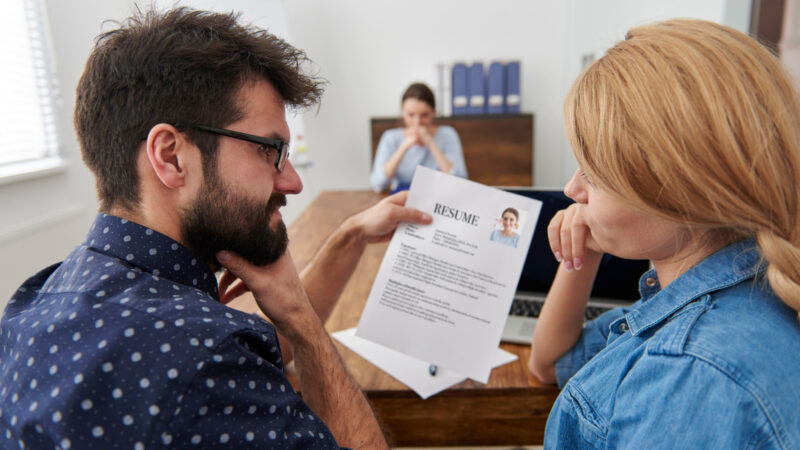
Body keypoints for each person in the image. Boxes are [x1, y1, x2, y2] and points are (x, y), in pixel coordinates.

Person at [0, 8, 433, 449]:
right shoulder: (206, 358)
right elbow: (218, 361)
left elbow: (256, 353)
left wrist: (349, 238)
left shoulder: (38, 297)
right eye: (269, 150)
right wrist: (304, 321)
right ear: (170, 156)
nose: (292, 181)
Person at [528, 19, 800, 448]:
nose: (571, 190)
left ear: (682, 189)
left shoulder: (692, 371)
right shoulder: (732, 284)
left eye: (593, 175)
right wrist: (583, 256)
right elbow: (549, 363)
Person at [370, 83, 468, 192]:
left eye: (424, 115)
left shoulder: (448, 134)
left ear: (433, 113)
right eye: (411, 115)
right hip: (402, 197)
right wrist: (404, 146)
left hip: (437, 196)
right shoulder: (390, 137)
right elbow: (377, 183)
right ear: (403, 113)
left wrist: (430, 142)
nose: (417, 123)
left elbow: (459, 180)